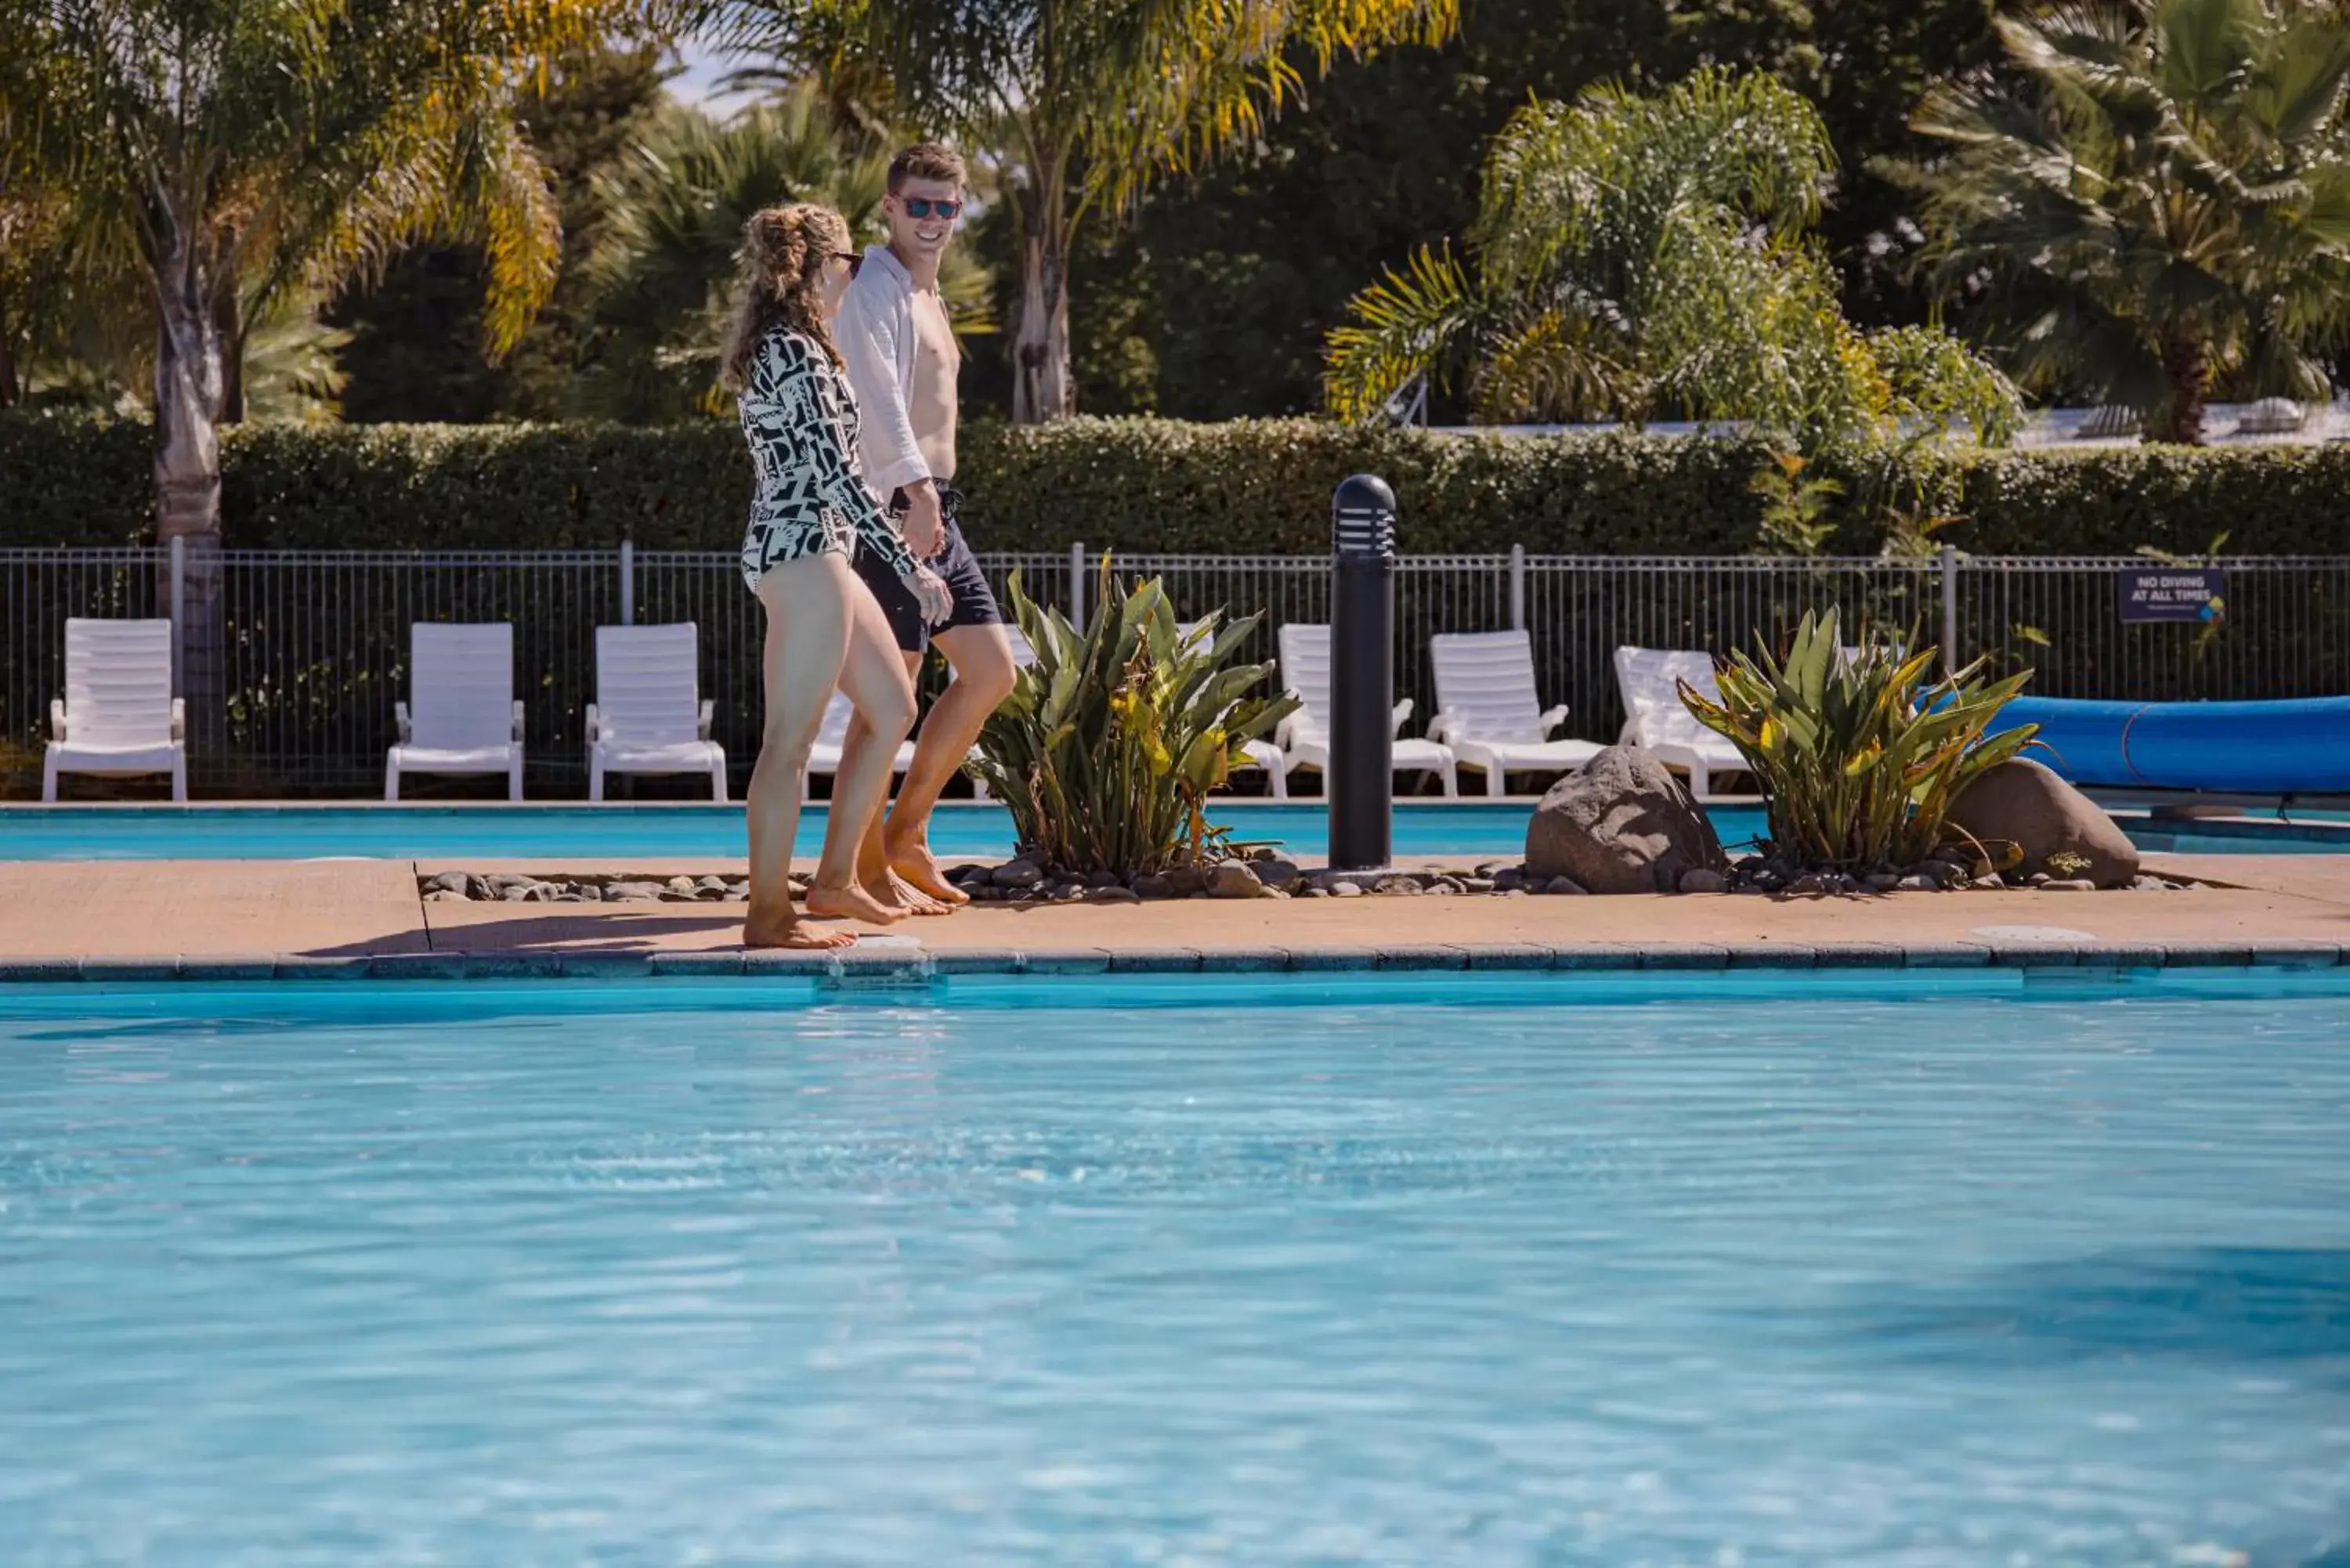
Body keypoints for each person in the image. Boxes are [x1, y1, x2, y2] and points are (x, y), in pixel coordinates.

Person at [725, 203, 953, 949]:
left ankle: (833, 881)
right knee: (788, 744)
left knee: (891, 707)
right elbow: (834, 475)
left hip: (818, 549)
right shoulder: (794, 350)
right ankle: (768, 915)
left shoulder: (797, 345)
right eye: (851, 264)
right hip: (803, 554)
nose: (856, 276)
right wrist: (908, 565)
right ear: (825, 269)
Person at [834, 143, 1018, 912]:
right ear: (888, 206)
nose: (934, 220)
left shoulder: (928, 297)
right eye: (919, 205)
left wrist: (932, 495)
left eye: (947, 206)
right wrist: (915, 494)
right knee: (892, 694)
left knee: (991, 672)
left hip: (934, 500)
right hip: (897, 506)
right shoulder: (873, 288)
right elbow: (876, 400)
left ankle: (905, 834)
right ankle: (856, 865)